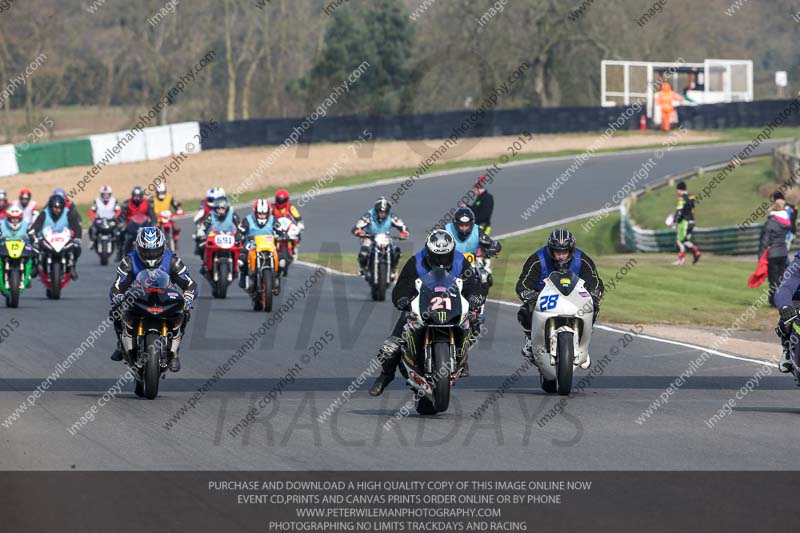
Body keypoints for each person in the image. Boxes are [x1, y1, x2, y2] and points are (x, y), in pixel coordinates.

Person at [368, 230, 484, 396]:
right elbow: (401, 286)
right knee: (391, 347)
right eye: (437, 256)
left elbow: (472, 283)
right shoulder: (416, 262)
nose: (441, 261)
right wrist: (402, 299)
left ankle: (461, 360)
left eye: (445, 256)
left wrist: (475, 296)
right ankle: (386, 375)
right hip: (420, 308)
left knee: (472, 323)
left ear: (451, 252)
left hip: (451, 306)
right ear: (428, 252)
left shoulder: (460, 260)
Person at [109, 226, 196, 372]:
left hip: (165, 298)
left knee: (185, 313)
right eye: (146, 251)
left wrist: (188, 297)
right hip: (139, 297)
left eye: (154, 251)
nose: (150, 255)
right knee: (115, 311)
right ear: (138, 248)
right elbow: (118, 284)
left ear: (162, 247)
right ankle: (120, 344)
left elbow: (189, 283)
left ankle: (174, 353)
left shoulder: (173, 260)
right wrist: (118, 296)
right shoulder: (129, 261)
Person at [515, 229, 604, 364]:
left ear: (571, 250)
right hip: (545, 298)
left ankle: (583, 345)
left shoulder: (582, 259)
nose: (561, 256)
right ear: (551, 250)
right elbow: (523, 283)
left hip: (575, 297)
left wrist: (595, 294)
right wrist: (529, 294)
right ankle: (530, 339)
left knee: (594, 308)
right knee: (525, 311)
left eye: (564, 252)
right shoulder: (537, 259)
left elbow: (595, 280)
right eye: (557, 252)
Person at [445, 207, 501, 299]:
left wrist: (493, 248)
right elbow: (434, 241)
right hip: (448, 264)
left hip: (472, 266)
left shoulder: (477, 230)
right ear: (455, 224)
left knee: (486, 277)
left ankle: (478, 305)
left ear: (471, 224)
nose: (464, 228)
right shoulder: (447, 229)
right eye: (461, 225)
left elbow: (491, 243)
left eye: (466, 225)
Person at [28, 194, 83, 279]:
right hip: (47, 239)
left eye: (59, 208)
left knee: (77, 248)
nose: (57, 210)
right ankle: (36, 266)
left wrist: (77, 238)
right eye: (55, 208)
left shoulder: (68, 213)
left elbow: (76, 227)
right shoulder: (44, 213)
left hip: (64, 239)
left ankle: (72, 266)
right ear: (50, 207)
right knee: (33, 248)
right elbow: (36, 226)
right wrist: (33, 234)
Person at [352, 197, 409, 279]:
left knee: (397, 251)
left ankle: (393, 269)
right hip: (369, 237)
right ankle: (362, 268)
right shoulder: (368, 216)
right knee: (363, 254)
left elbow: (403, 227)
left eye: (384, 212)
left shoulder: (392, 216)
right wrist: (359, 231)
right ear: (376, 210)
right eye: (380, 211)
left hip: (385, 238)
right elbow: (357, 227)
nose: (382, 214)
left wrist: (404, 233)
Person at [237, 199, 278, 289]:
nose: (262, 216)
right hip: (252, 244)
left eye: (264, 214)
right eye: (260, 214)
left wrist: (284, 234)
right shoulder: (247, 220)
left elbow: (281, 229)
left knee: (282, 258)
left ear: (268, 213)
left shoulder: (273, 220)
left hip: (269, 245)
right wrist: (239, 236)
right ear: (255, 213)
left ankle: (277, 277)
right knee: (241, 259)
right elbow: (241, 230)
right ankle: (243, 276)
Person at [759, 206, 792, 307]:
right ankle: (784, 300)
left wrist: (760, 256)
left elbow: (765, 241)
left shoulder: (770, 223)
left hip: (773, 254)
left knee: (773, 279)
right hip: (783, 253)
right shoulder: (785, 223)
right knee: (783, 278)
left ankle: (773, 301)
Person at [197, 197, 241, 274]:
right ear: (215, 208)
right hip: (214, 238)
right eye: (218, 208)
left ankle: (237, 265)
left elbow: (240, 226)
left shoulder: (232, 214)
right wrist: (201, 234)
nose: (220, 211)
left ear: (226, 208)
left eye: (222, 208)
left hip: (230, 237)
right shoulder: (211, 215)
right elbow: (203, 227)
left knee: (241, 246)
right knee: (201, 246)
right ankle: (205, 264)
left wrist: (240, 234)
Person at [117, 186, 157, 260]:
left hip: (144, 225)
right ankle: (120, 253)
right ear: (132, 196)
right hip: (130, 225)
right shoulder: (127, 203)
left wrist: (154, 223)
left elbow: (153, 215)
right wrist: (122, 223)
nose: (137, 198)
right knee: (120, 233)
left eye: (138, 196)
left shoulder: (147, 203)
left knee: (155, 234)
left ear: (142, 196)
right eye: (135, 196)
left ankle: (156, 253)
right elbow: (122, 215)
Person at [673, 181, 700, 265]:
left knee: (680, 241)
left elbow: (679, 209)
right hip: (692, 221)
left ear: (680, 189)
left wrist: (674, 220)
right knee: (685, 240)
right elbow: (692, 208)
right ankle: (695, 252)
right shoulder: (692, 196)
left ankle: (682, 260)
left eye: (677, 189)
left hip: (685, 222)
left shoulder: (682, 198)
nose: (677, 191)